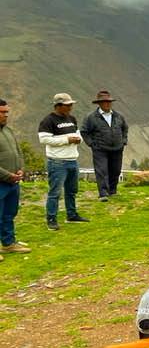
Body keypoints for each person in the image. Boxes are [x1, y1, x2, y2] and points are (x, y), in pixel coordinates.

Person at [37, 92, 89, 231]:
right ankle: (51, 219)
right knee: (55, 192)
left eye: (71, 104)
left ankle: (71, 215)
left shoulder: (72, 118)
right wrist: (66, 140)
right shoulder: (48, 120)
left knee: (71, 191)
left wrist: (79, 139)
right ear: (58, 106)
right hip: (57, 162)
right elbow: (44, 139)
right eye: (67, 105)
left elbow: (78, 134)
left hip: (73, 160)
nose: (70, 107)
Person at [81, 90, 129, 202]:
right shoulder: (91, 117)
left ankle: (112, 191)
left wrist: (124, 141)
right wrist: (92, 144)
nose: (107, 104)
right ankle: (103, 193)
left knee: (116, 170)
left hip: (117, 148)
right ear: (99, 103)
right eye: (104, 102)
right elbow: (84, 131)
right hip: (100, 149)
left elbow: (125, 128)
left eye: (109, 102)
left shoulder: (118, 116)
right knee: (102, 171)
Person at [0, 99, 31, 261]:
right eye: (2, 112)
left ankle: (8, 244)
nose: (6, 115)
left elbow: (18, 152)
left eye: (7, 112)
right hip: (2, 181)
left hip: (13, 182)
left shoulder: (8, 130)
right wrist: (8, 175)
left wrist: (20, 169)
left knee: (9, 214)